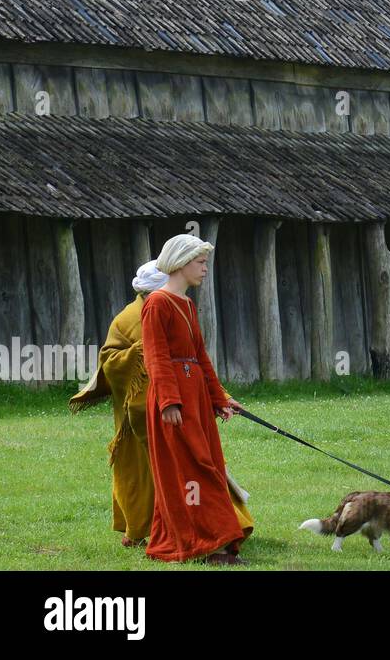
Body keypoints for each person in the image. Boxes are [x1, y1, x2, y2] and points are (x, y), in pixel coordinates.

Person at [143, 234, 251, 565]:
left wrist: (219, 399)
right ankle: (212, 544)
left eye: (205, 262)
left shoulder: (187, 305)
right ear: (180, 263)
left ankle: (198, 537)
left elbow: (200, 357)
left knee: (208, 464)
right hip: (174, 401)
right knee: (193, 469)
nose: (205, 269)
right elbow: (156, 357)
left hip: (196, 399)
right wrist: (170, 402)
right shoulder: (157, 303)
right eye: (200, 262)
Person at [69, 261, 169, 547]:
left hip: (171, 407)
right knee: (135, 475)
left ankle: (182, 527)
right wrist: (138, 353)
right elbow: (109, 361)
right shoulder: (127, 319)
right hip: (134, 411)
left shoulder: (169, 313)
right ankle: (136, 530)